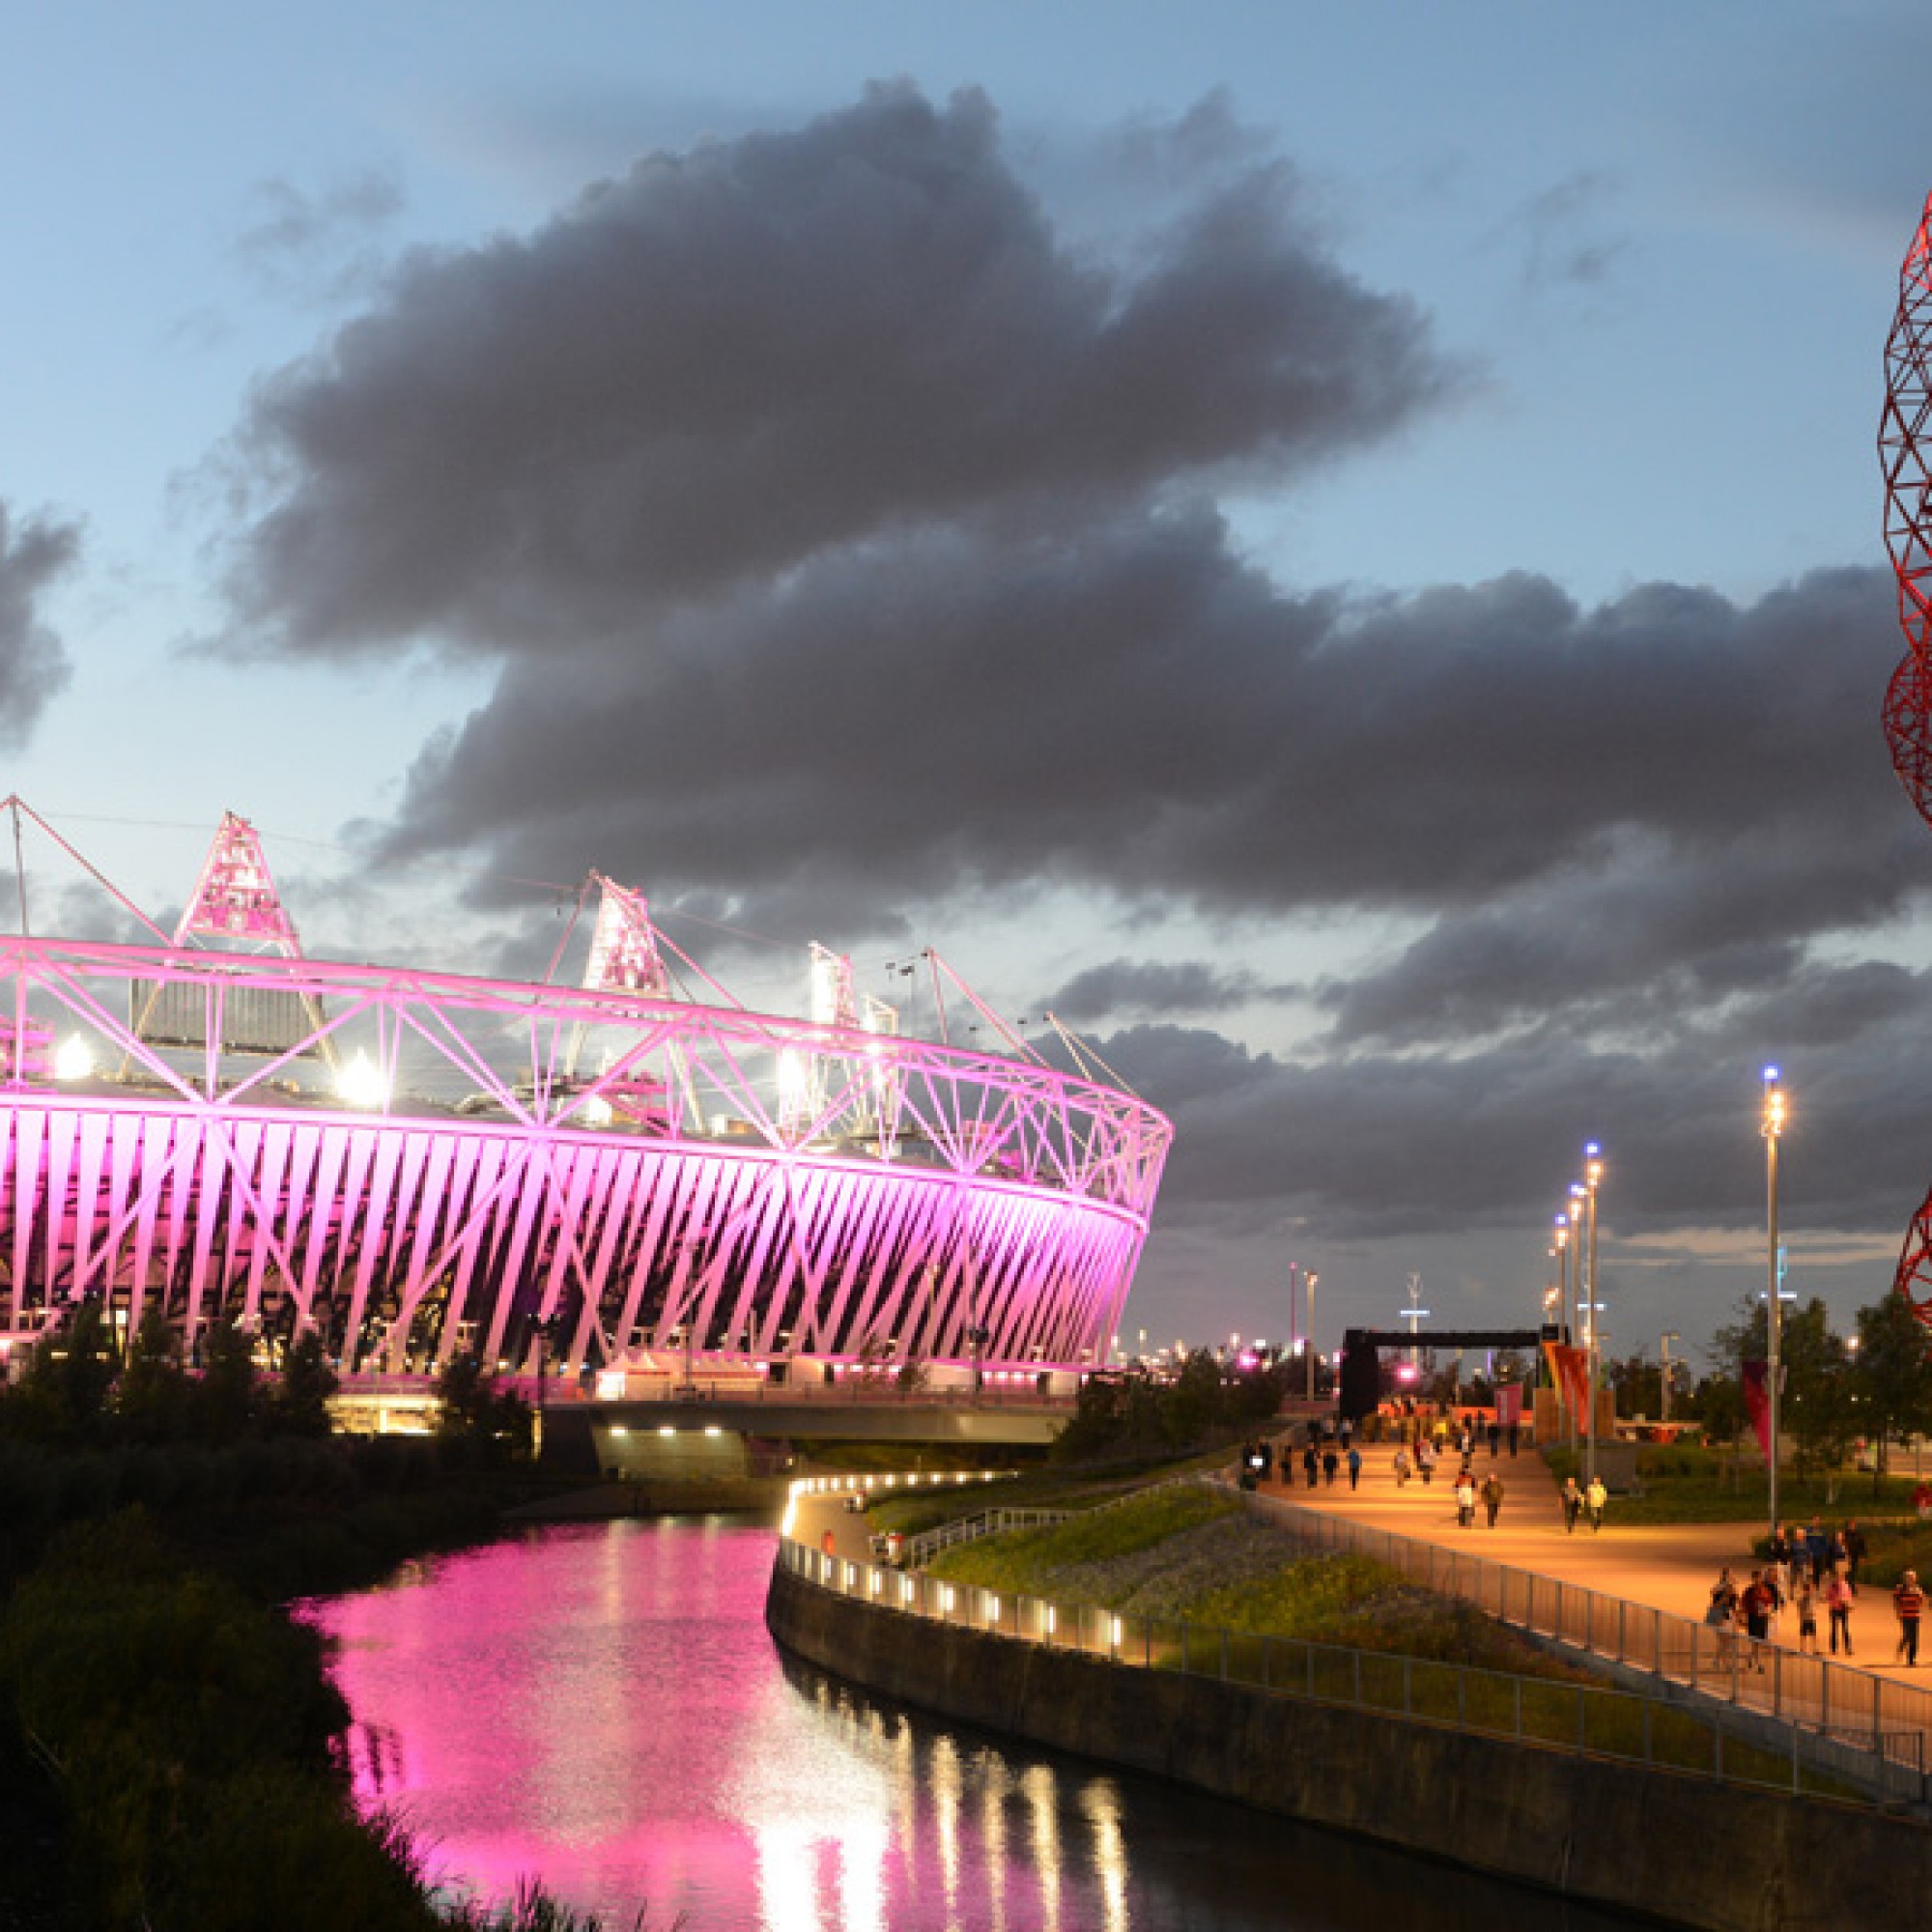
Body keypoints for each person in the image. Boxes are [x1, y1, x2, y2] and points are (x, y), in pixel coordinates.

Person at [1739, 1569, 1775, 1668]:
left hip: (1763, 1618)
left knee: (1759, 1641)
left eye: (1759, 1578)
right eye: (1755, 1578)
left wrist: (1769, 1611)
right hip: (1753, 1618)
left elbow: (1770, 1602)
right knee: (1755, 1641)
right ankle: (1758, 1663)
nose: (1757, 1580)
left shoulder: (1765, 1590)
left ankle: (1751, 1659)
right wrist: (1742, 1618)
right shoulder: (1749, 1591)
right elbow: (1743, 1605)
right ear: (1753, 1579)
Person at [1893, 1570, 1925, 1666]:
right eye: (1908, 1577)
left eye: (1912, 1578)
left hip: (1915, 1615)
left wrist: (1920, 1612)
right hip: (1905, 1616)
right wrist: (1898, 1612)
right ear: (1905, 1579)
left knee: (1914, 1638)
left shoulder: (1918, 1589)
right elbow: (1896, 1602)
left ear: (1915, 1579)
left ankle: (1911, 1659)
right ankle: (1902, 1647)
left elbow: (1920, 1602)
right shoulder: (1900, 1589)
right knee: (1908, 1635)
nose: (1910, 1579)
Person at [1825, 1571, 1855, 1657]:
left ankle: (1847, 1648)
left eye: (1841, 1577)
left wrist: (1847, 1602)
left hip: (1843, 1608)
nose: (1840, 1579)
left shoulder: (1846, 1586)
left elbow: (1849, 1596)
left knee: (1845, 1629)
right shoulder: (1832, 1587)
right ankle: (1834, 1649)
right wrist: (1834, 1603)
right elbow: (1828, 1597)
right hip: (1834, 1609)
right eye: (1838, 1577)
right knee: (1834, 1629)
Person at [1794, 1575, 1819, 1657]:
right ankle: (1803, 1649)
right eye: (1808, 1590)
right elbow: (1800, 1607)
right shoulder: (1803, 1599)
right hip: (1806, 1618)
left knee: (1813, 1634)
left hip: (1811, 1618)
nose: (1810, 1591)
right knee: (1803, 1634)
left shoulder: (1812, 1598)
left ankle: (1814, 1649)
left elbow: (1814, 1607)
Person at [1844, 1520, 1868, 1589]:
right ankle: (1849, 1587)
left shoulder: (1859, 1534)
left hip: (1855, 1556)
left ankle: (1851, 1586)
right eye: (1851, 1525)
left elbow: (1862, 1545)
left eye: (1854, 1525)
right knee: (1847, 1572)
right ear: (1848, 1526)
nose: (1853, 1527)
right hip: (1846, 1556)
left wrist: (1863, 1556)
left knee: (1853, 1571)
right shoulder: (1845, 1534)